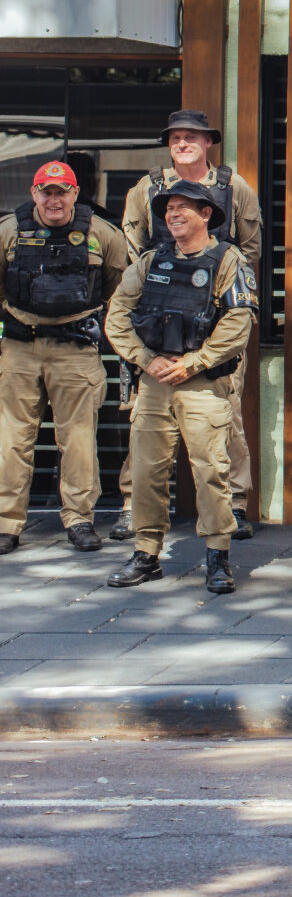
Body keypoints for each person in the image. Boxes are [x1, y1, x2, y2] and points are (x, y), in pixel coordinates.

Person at [116, 108, 260, 544]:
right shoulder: (148, 187)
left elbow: (249, 247)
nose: (182, 144)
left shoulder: (233, 187)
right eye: (176, 137)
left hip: (212, 321)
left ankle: (232, 506)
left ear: (208, 142)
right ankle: (132, 510)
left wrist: (215, 275)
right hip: (158, 322)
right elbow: (132, 242)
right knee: (144, 430)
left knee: (225, 418)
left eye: (192, 137)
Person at [103, 179, 254, 593]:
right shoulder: (150, 262)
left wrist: (193, 363)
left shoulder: (229, 261)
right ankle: (146, 554)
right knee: (147, 471)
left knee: (210, 472)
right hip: (154, 383)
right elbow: (117, 317)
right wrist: (146, 359)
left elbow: (238, 325)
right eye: (169, 209)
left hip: (204, 385)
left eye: (183, 207)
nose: (173, 214)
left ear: (206, 215)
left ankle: (218, 558)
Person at [0, 161, 133, 556]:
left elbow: (118, 289)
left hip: (76, 350)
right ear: (34, 193)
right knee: (12, 439)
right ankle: (7, 522)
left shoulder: (102, 234)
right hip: (21, 347)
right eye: (47, 191)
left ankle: (79, 519)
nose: (54, 199)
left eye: (62, 191)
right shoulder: (8, 232)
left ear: (75, 193)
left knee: (77, 441)